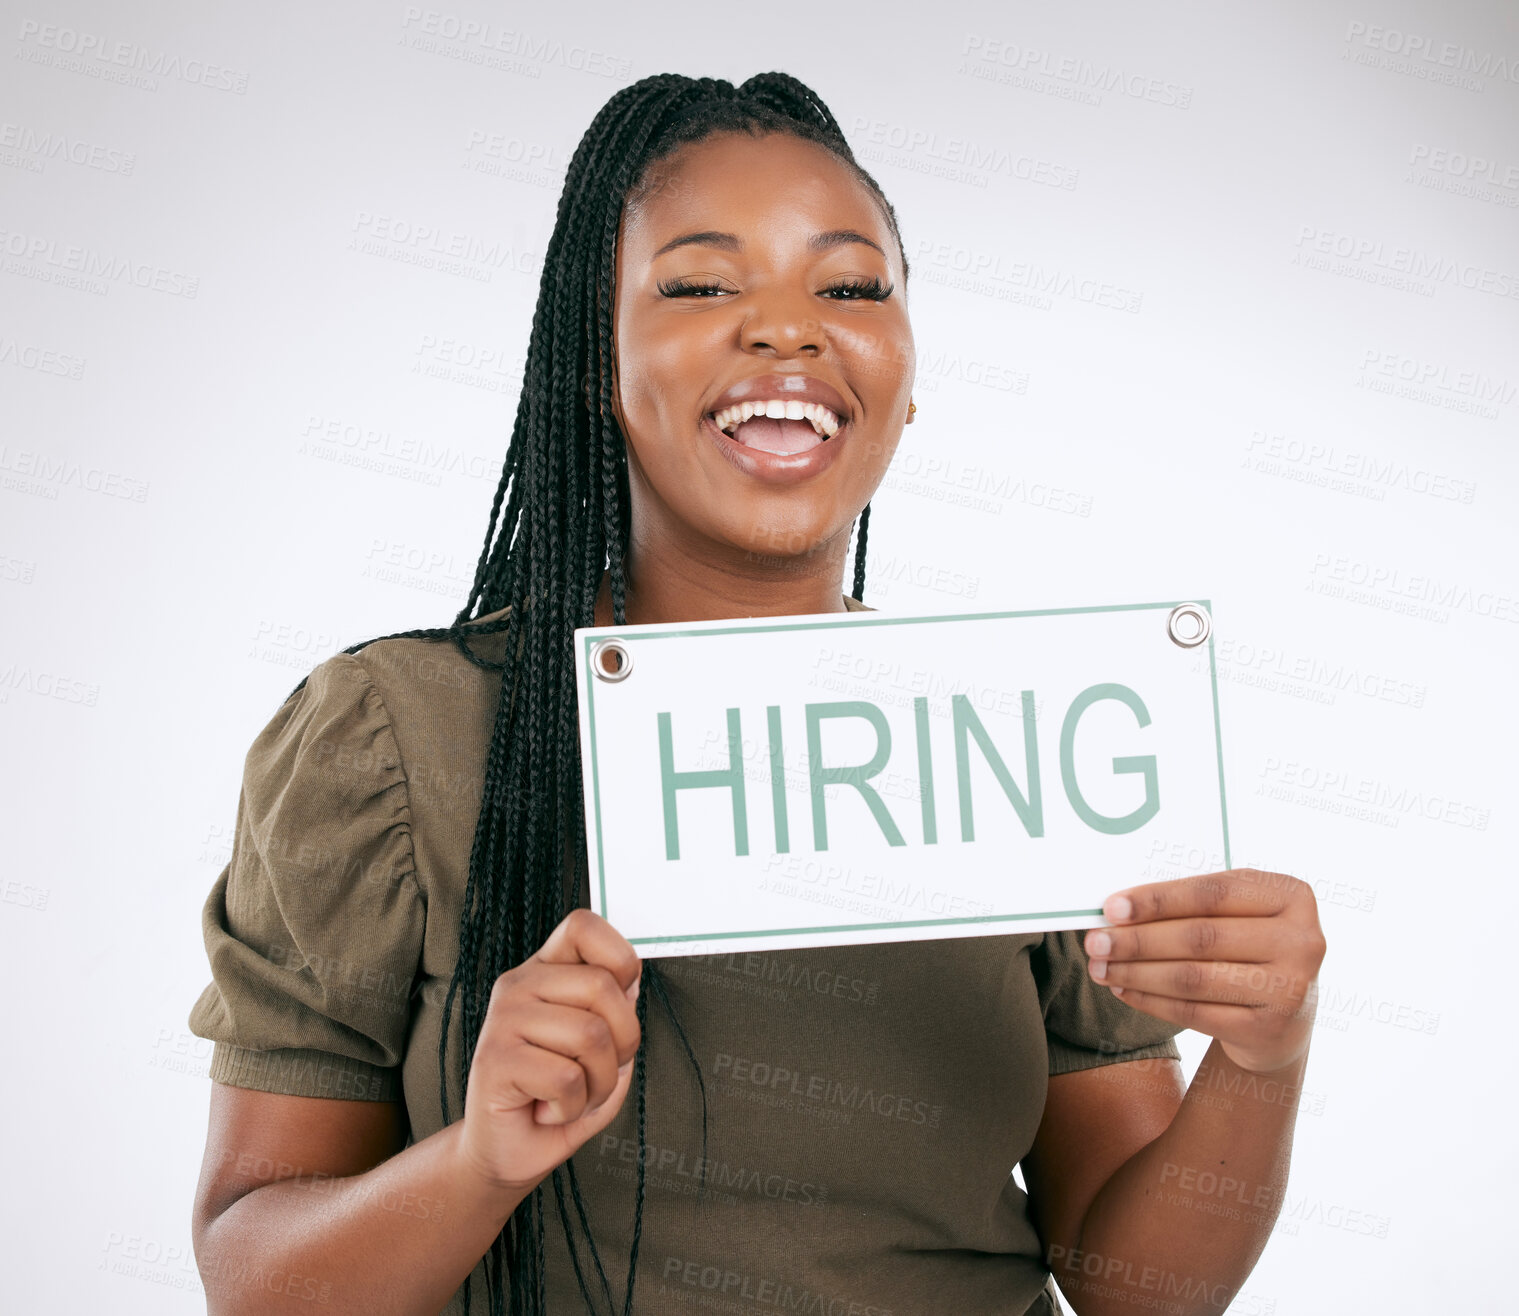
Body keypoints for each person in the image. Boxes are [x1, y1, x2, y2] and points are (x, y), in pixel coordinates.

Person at [188, 73, 1327, 1316]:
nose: (789, 329)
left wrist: (1262, 1059)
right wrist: (478, 1160)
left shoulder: (1013, 732)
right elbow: (257, 1280)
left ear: (905, 372)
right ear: (591, 358)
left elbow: (1139, 1290)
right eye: (700, 284)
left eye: (847, 287)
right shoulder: (395, 734)